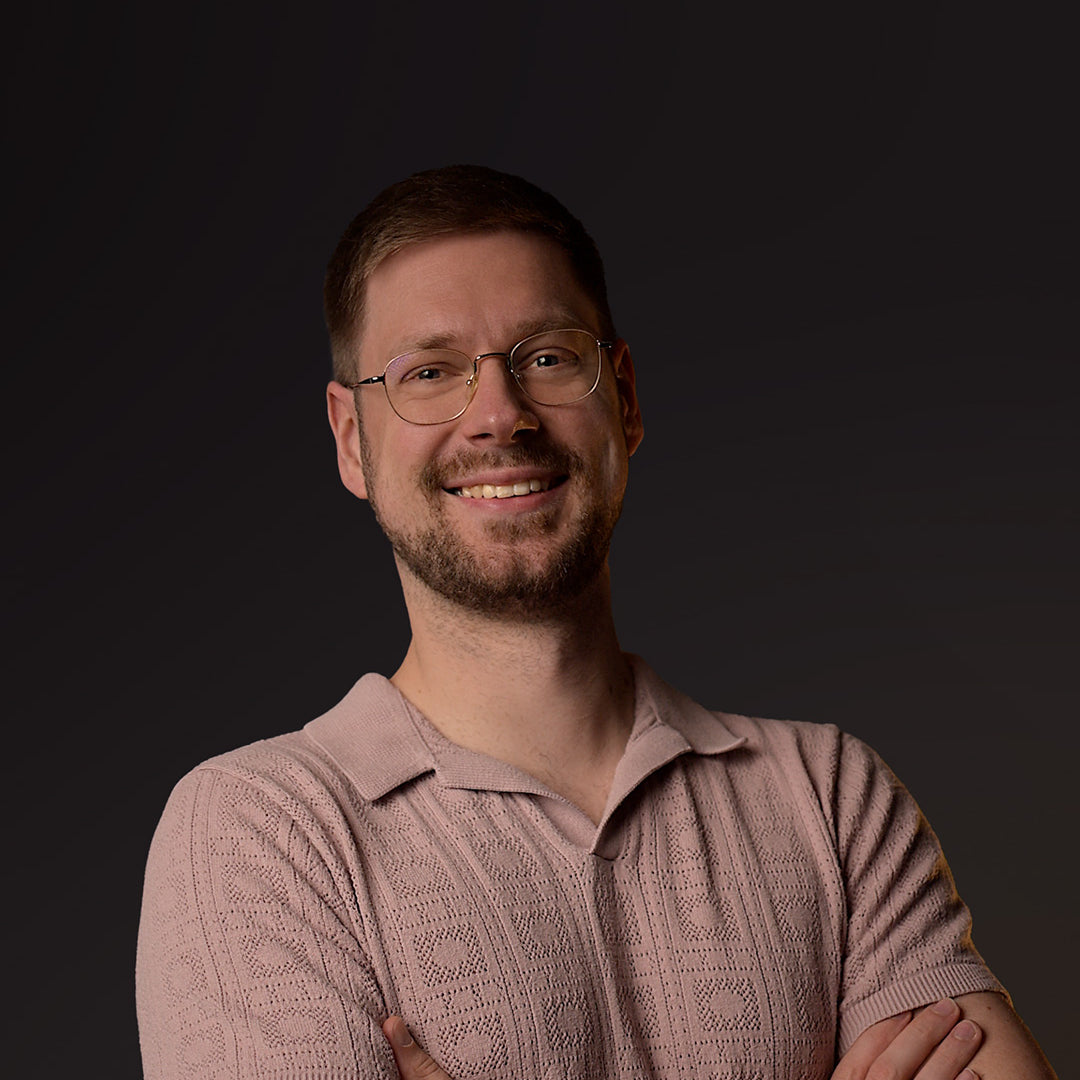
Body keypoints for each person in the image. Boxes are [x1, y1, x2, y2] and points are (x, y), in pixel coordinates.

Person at [136, 165, 1056, 1080]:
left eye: (546, 357)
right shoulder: (264, 836)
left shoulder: (830, 798)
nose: (498, 416)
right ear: (351, 440)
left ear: (624, 395)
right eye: (429, 372)